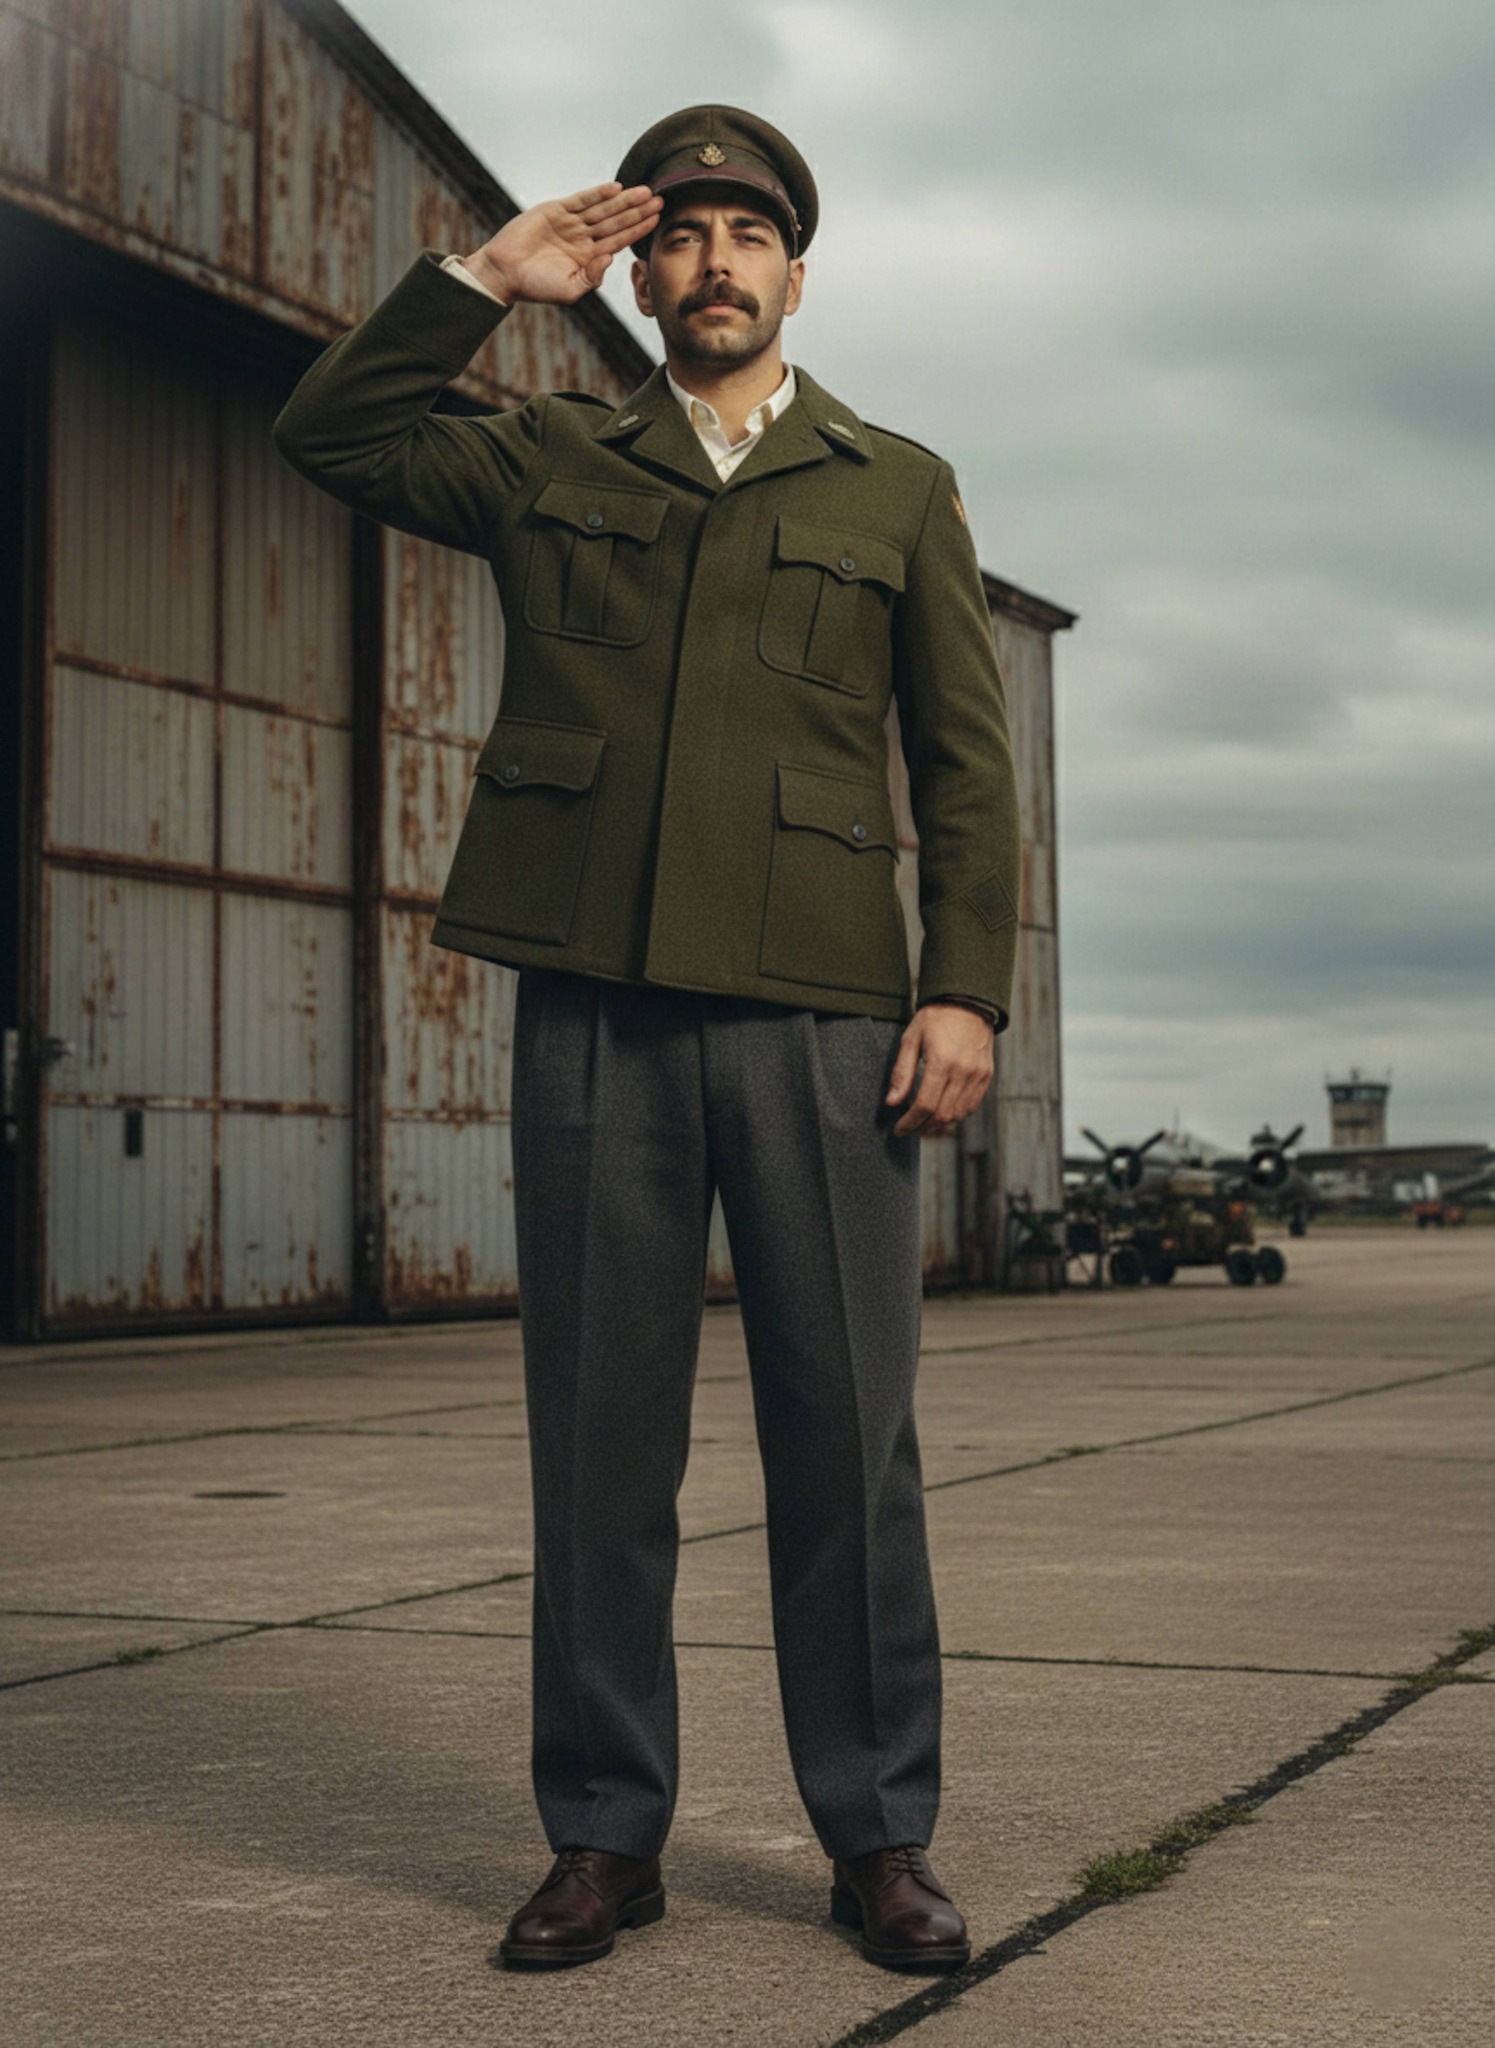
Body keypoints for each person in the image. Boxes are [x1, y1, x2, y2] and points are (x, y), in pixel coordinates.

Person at [274, 103, 1021, 1975]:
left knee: (847, 1442)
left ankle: (877, 1835)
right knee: (599, 1442)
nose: (711, 264)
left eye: (744, 236)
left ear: (793, 269)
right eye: (676, 235)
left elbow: (967, 767)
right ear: (640, 268)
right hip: (597, 1002)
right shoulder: (547, 452)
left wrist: (966, 986)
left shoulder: (892, 485)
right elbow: (333, 435)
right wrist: (483, 284)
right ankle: (604, 1836)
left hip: (824, 1013)